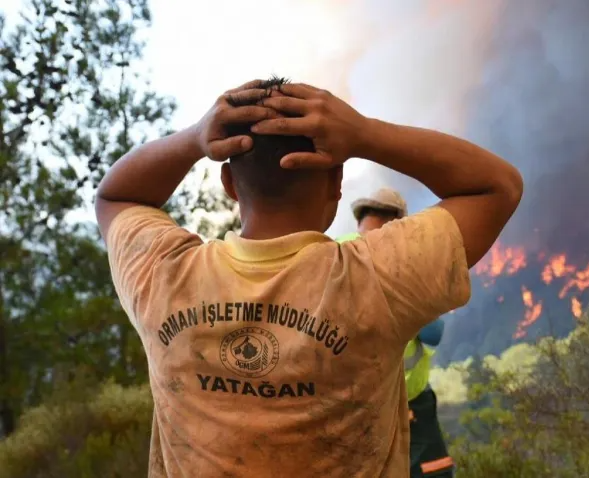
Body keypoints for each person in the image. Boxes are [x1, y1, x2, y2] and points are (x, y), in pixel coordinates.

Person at [96, 77, 523, 478]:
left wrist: (192, 139)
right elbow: (497, 186)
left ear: (228, 182)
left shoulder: (163, 275)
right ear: (337, 182)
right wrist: (365, 134)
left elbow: (116, 195)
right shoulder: (378, 278)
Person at [337, 188, 454, 477]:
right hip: (392, 402)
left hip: (359, 403)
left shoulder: (334, 254)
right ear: (396, 225)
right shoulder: (395, 262)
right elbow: (433, 333)